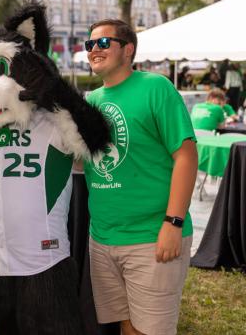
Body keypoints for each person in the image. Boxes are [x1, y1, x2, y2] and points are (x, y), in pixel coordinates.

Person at [82, 19, 197, 335]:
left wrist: (173, 223)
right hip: (103, 239)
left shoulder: (156, 88)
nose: (94, 49)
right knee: (127, 326)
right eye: (89, 44)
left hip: (151, 236)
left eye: (103, 43)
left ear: (127, 49)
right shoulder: (90, 102)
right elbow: (80, 163)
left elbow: (186, 155)